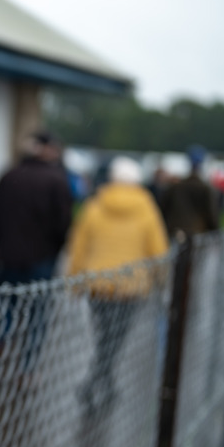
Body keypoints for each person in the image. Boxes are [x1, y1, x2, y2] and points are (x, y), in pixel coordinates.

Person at [65, 156, 169, 412]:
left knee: (104, 337)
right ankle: (94, 385)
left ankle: (101, 384)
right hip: (130, 288)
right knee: (114, 340)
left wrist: (75, 281)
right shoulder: (147, 208)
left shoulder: (95, 206)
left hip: (97, 284)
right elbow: (158, 249)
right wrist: (161, 280)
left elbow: (78, 245)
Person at [0, 130, 73, 286]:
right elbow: (63, 222)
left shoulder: (9, 175)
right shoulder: (57, 180)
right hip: (43, 258)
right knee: (36, 306)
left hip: (9, 258)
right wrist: (55, 248)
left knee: (9, 304)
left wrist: (2, 243)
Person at [159, 145, 220, 239]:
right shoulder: (205, 189)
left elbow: (162, 211)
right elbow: (211, 215)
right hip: (196, 235)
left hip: (174, 233)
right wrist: (216, 232)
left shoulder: (175, 187)